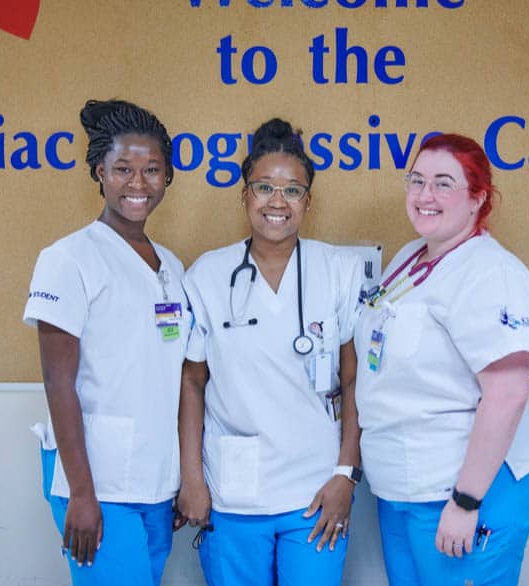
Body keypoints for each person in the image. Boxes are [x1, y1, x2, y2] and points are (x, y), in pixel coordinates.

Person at [175, 118, 364, 586]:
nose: (277, 202)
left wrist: (346, 475)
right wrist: (192, 478)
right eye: (264, 187)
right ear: (244, 194)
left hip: (317, 492)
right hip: (234, 493)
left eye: (292, 191)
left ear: (308, 201)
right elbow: (192, 381)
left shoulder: (336, 269)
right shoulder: (207, 275)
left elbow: (355, 380)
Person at [353, 133, 529, 585]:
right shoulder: (410, 257)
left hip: (465, 493)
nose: (425, 195)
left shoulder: (493, 273)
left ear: (478, 197)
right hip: (404, 488)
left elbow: (508, 396)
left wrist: (465, 502)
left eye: (443, 183)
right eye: (416, 180)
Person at [22, 99, 186, 586]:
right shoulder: (68, 258)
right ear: (99, 172)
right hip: (96, 482)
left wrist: (176, 481)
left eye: (152, 170)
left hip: (155, 479)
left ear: (168, 177)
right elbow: (57, 381)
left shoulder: (172, 267)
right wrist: (81, 493)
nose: (138, 184)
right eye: (123, 169)